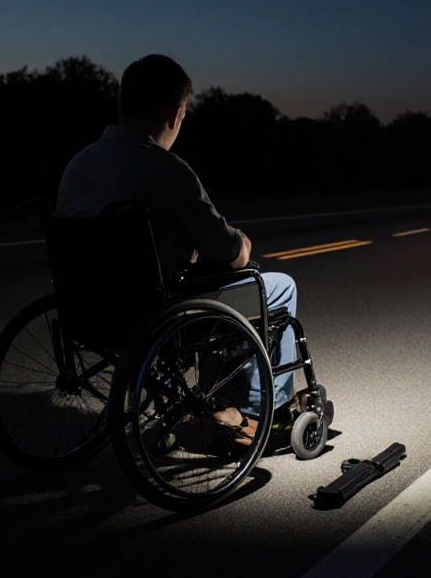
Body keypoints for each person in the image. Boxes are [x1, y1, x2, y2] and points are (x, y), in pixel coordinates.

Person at [55, 54, 296, 444]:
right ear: (174, 113)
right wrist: (243, 244)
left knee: (199, 288)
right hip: (156, 314)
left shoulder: (79, 165)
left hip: (88, 310)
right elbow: (230, 250)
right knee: (277, 285)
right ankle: (256, 412)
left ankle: (188, 403)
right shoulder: (166, 169)